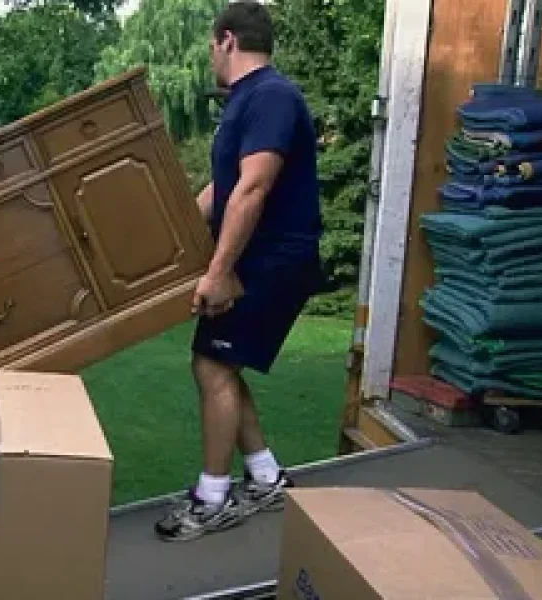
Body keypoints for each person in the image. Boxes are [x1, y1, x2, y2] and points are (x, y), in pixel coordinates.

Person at [154, 2, 325, 542]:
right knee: (220, 364)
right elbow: (220, 191)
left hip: (275, 258)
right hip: (262, 255)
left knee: (212, 365)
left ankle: (213, 498)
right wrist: (168, 237)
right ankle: (266, 476)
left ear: (227, 40)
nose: (209, 57)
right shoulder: (244, 102)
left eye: (210, 46)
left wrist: (220, 270)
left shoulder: (272, 96)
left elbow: (254, 187)